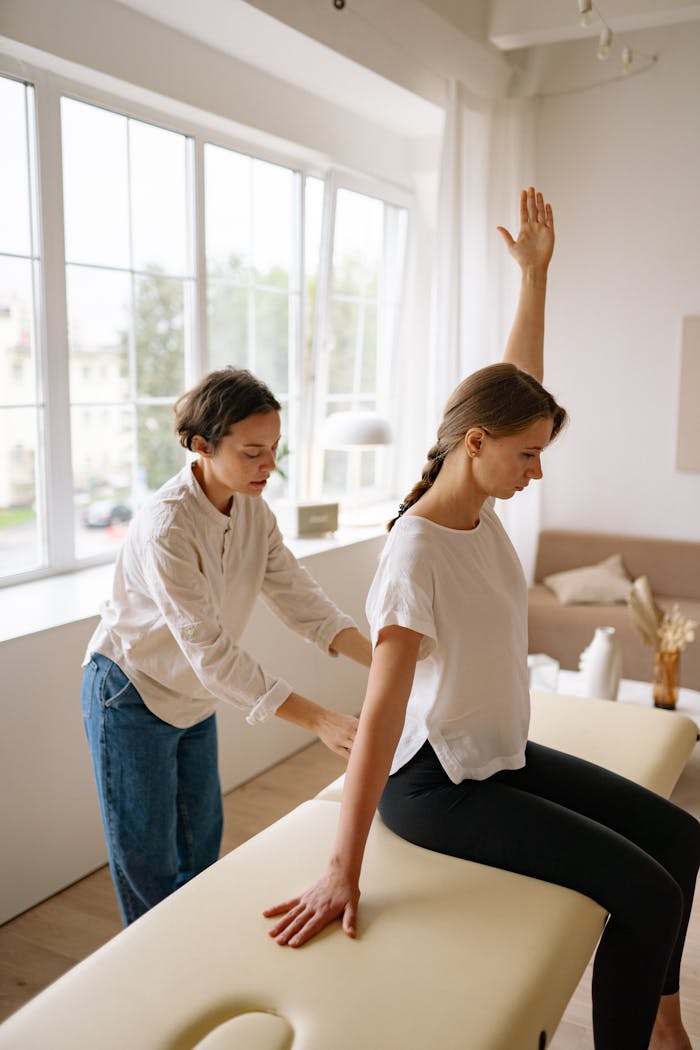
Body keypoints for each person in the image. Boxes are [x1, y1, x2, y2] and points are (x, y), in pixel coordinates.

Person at [264, 188, 700, 1050]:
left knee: (681, 837)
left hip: (494, 757)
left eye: (540, 452)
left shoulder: (479, 509)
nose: (536, 471)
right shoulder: (419, 550)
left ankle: (665, 1024)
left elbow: (518, 388)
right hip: (433, 786)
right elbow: (385, 712)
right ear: (477, 446)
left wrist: (535, 279)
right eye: (527, 455)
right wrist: (339, 870)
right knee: (643, 889)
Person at [82, 367, 372, 925]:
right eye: (253, 452)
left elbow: (299, 598)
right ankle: (159, 980)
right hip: (130, 694)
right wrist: (320, 720)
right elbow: (212, 652)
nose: (269, 466)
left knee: (201, 846)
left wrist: (383, 660)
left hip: (194, 697)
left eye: (275, 449)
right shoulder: (167, 526)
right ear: (201, 446)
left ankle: (197, 953)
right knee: (149, 864)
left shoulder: (252, 507)